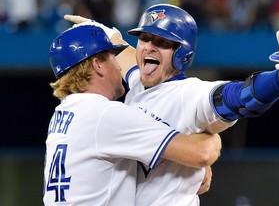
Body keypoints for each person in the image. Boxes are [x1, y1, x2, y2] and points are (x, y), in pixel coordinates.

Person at [64, 4, 279, 205]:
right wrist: (102, 32)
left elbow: (239, 97)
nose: (149, 47)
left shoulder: (189, 94)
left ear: (182, 53)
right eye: (144, 38)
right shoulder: (138, 84)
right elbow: (125, 52)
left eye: (162, 42)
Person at [43, 22, 222, 205]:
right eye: (113, 56)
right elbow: (201, 153)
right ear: (98, 65)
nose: (120, 67)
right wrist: (210, 134)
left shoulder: (63, 114)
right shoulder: (106, 115)